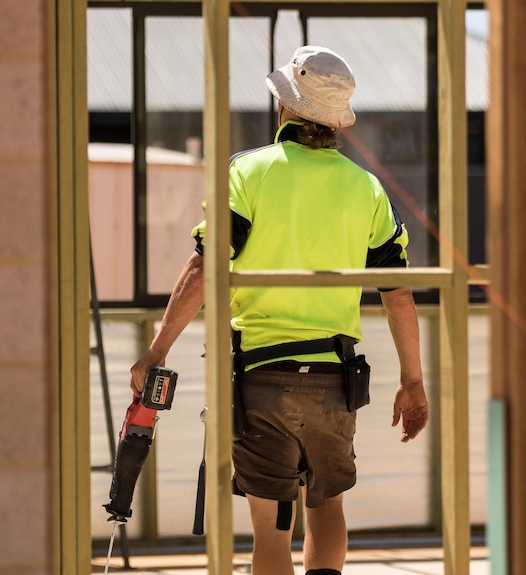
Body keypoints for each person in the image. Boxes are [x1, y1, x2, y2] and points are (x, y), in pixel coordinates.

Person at [130, 45, 429, 575]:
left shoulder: (249, 172)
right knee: (328, 505)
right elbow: (397, 291)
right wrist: (413, 380)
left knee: (271, 529)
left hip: (261, 376)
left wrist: (156, 350)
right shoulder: (366, 187)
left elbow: (203, 269)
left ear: (286, 107)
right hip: (335, 378)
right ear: (336, 120)